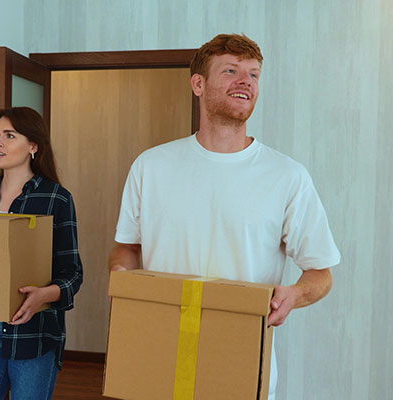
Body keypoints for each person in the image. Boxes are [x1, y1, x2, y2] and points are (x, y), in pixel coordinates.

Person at [108, 33, 340, 400]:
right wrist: (122, 281)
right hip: (157, 353)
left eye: (253, 74)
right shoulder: (150, 167)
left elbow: (321, 273)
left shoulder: (287, 176)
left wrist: (294, 294)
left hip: (242, 361)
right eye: (231, 71)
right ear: (198, 84)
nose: (245, 81)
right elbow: (127, 249)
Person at [0, 107, 83, 400]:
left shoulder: (56, 198)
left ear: (33, 146)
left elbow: (73, 274)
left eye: (10, 136)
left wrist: (42, 295)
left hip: (33, 337)